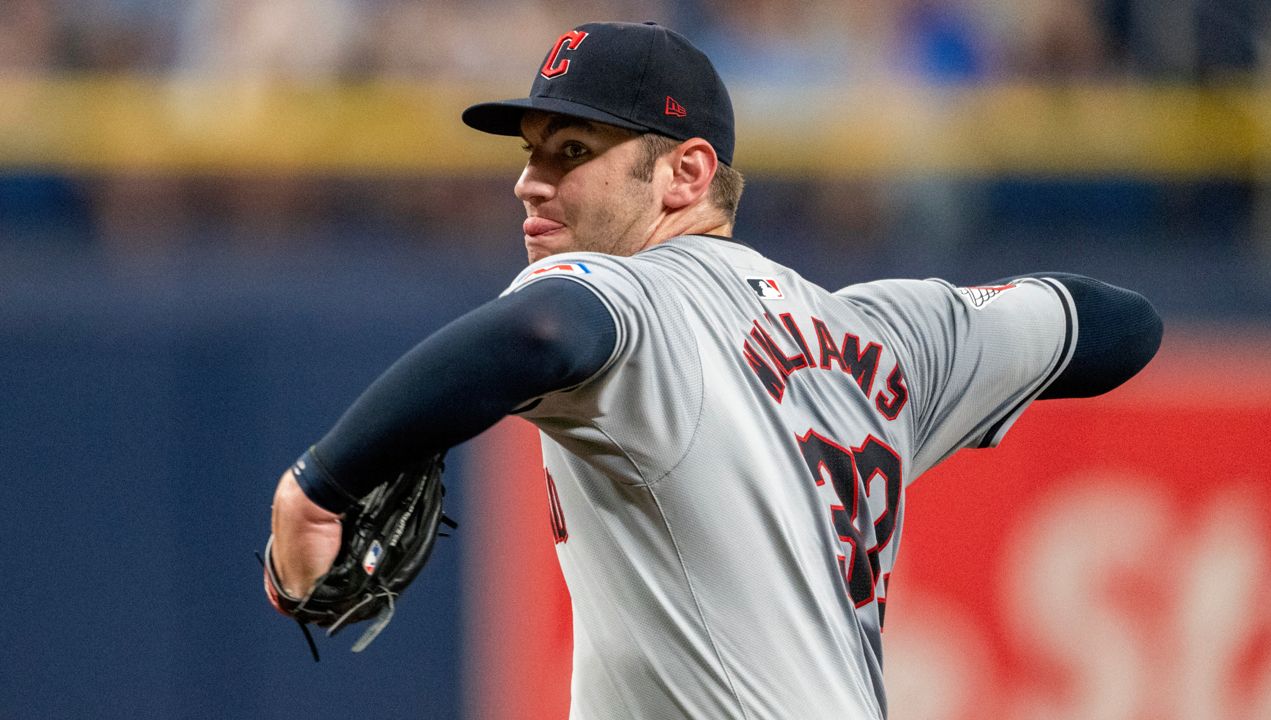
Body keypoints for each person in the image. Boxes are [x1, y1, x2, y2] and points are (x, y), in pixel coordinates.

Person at [266, 21, 1163, 719]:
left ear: (685, 174)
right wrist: (934, 332)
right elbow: (1122, 325)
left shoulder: (634, 295)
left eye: (572, 153)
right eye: (530, 153)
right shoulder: (885, 334)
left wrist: (320, 487)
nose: (531, 183)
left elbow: (540, 333)